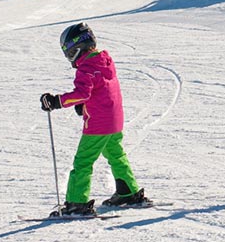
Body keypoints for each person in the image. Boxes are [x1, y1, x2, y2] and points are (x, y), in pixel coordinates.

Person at [42, 23, 150, 216]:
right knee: (116, 156)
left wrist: (56, 101)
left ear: (77, 48)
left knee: (83, 162)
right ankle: (129, 191)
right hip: (114, 121)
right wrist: (83, 105)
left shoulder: (86, 68)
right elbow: (102, 91)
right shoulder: (104, 61)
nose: (69, 58)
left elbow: (83, 93)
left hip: (98, 126)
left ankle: (77, 203)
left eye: (68, 53)